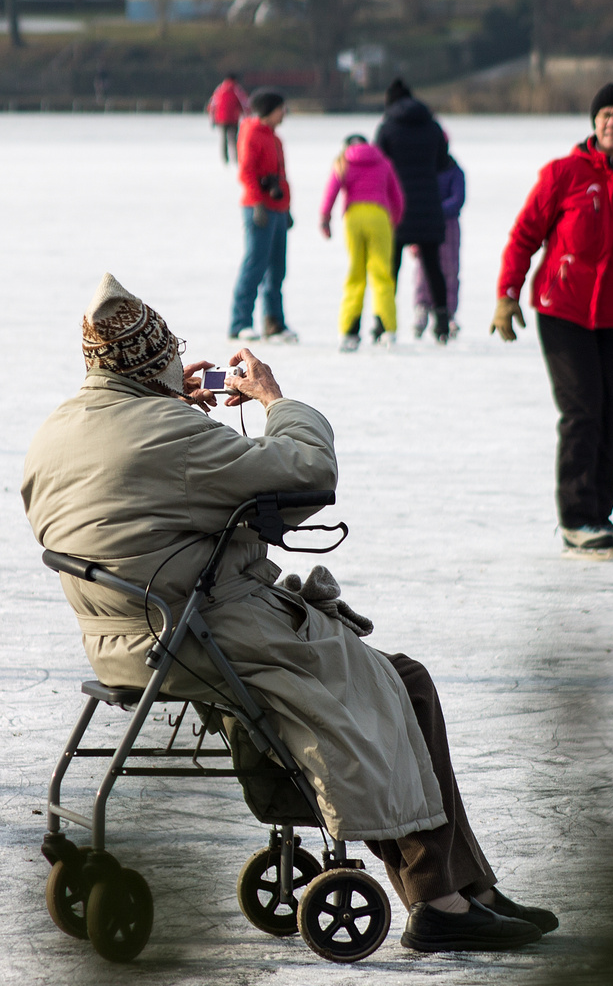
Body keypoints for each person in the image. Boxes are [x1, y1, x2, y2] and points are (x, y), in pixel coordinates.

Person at [23, 274, 558, 954]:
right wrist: (275, 399)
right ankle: (444, 902)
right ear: (157, 359)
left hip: (127, 637)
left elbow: (151, 498)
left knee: (399, 679)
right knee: (400, 683)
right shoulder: (168, 433)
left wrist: (176, 413)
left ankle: (468, 888)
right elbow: (306, 475)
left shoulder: (60, 430)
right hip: (203, 632)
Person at [490, 84, 613, 554]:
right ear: (594, 123)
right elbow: (524, 236)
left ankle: (599, 514)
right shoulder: (565, 173)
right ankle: (577, 518)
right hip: (564, 308)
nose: (612, 123)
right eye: (604, 115)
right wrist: (506, 296)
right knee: (583, 411)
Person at [375, 79, 450, 344]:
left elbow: (378, 164)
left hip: (397, 207)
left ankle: (382, 323)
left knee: (390, 267)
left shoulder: (387, 128)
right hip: (429, 204)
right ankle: (442, 322)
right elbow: (443, 162)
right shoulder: (433, 127)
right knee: (433, 266)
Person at [319, 133, 405, 351]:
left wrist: (325, 218)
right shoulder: (384, 162)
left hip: (354, 217)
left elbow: (331, 192)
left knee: (356, 274)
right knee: (382, 273)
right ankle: (388, 330)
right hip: (379, 216)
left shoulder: (343, 162)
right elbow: (397, 197)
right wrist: (393, 221)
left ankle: (348, 331)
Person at [229, 89, 297, 344]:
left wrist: (287, 208)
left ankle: (274, 323)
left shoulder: (275, 138)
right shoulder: (251, 133)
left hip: (277, 209)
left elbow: (281, 175)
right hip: (259, 208)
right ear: (270, 109)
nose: (284, 114)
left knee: (277, 269)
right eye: (281, 109)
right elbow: (246, 172)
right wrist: (258, 203)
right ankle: (240, 322)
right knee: (255, 265)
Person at [412, 146, 466, 340]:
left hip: (448, 224)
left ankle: (448, 312)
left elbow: (458, 198)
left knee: (449, 269)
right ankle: (422, 307)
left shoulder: (454, 170)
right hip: (425, 223)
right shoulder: (423, 170)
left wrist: (435, 210)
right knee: (423, 268)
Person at [206, 71, 250, 165]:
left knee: (223, 139)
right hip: (233, 118)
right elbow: (244, 103)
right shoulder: (237, 89)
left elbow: (213, 104)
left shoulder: (219, 89)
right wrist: (247, 117)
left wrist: (212, 120)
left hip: (220, 119)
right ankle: (236, 159)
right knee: (234, 140)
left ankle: (225, 159)